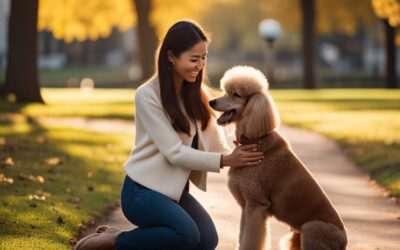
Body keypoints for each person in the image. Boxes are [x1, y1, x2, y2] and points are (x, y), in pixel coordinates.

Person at [74, 20, 264, 250]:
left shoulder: (198, 94)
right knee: (186, 235)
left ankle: (130, 238)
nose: (200, 65)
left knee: (207, 241)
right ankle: (116, 241)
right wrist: (225, 160)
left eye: (204, 57)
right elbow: (174, 152)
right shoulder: (147, 96)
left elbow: (215, 143)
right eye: (194, 59)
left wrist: (237, 152)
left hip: (175, 194)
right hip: (141, 192)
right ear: (171, 56)